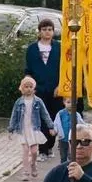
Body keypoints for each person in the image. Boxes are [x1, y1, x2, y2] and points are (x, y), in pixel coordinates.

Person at [24, 18, 62, 160]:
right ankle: (42, 150)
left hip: (55, 90)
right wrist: (29, 85)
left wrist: (60, 85)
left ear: (53, 32)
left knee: (53, 118)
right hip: (38, 89)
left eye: (50, 29)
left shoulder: (59, 47)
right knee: (39, 119)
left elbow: (64, 69)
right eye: (44, 29)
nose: (47, 32)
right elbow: (28, 70)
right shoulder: (32, 49)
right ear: (39, 32)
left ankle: (50, 146)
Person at [8, 76, 53, 181]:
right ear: (22, 88)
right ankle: (25, 172)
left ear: (34, 88)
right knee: (25, 151)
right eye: (26, 87)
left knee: (34, 151)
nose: (28, 89)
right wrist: (11, 129)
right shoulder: (19, 102)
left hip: (34, 129)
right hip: (23, 130)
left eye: (30, 87)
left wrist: (51, 127)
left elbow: (45, 114)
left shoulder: (38, 101)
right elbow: (14, 116)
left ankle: (33, 164)